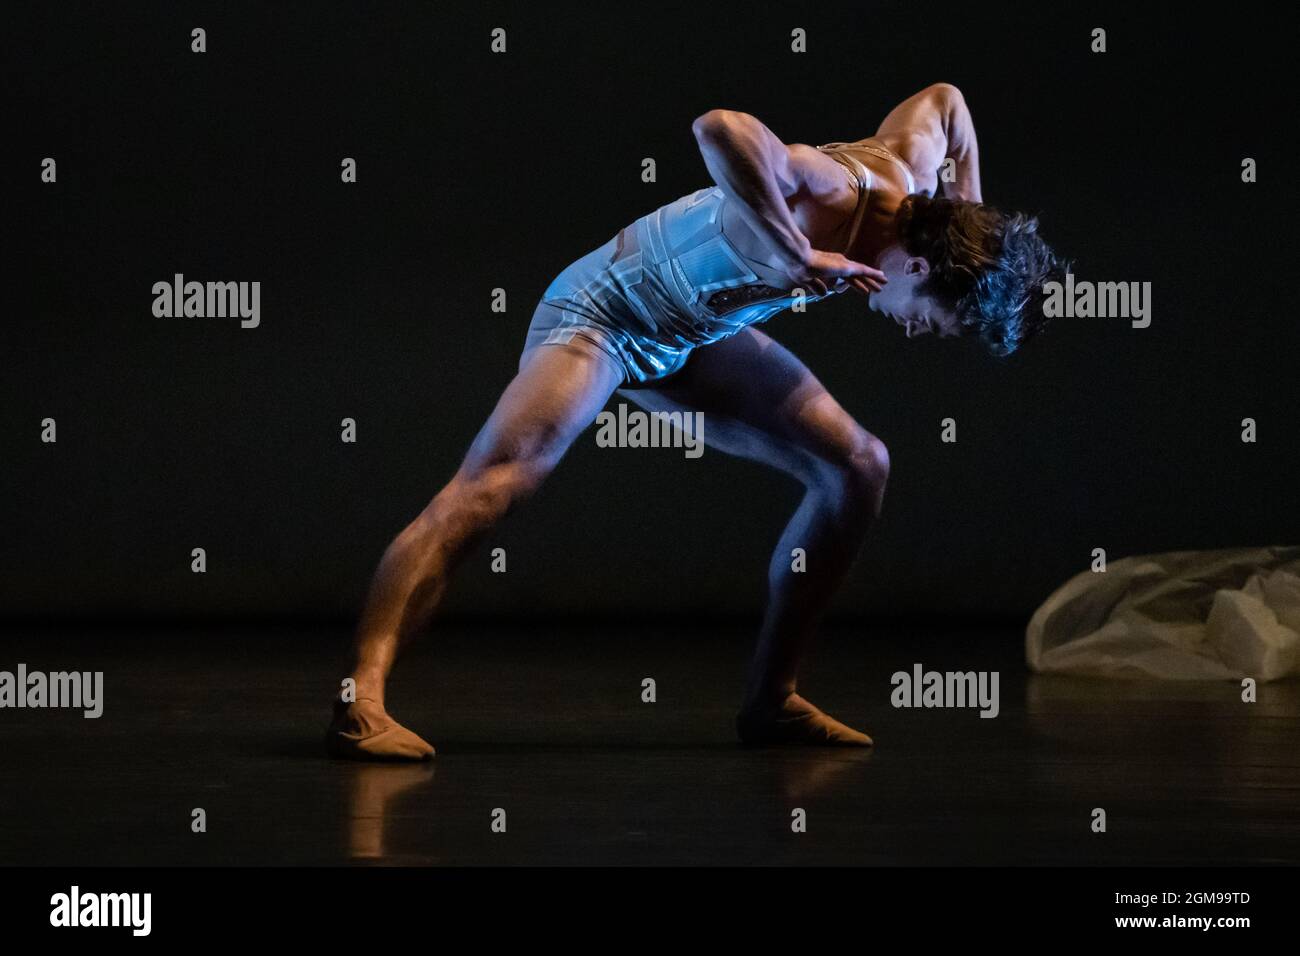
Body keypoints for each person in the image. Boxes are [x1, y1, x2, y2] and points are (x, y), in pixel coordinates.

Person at [326, 83, 1067, 759]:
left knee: (859, 466)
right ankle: (361, 700)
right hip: (605, 314)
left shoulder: (916, 164)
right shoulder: (839, 190)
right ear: (917, 269)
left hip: (692, 334)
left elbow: (947, 103)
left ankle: (772, 702)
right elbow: (721, 128)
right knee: (494, 486)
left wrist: (970, 208)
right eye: (931, 322)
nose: (913, 333)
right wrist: (793, 250)